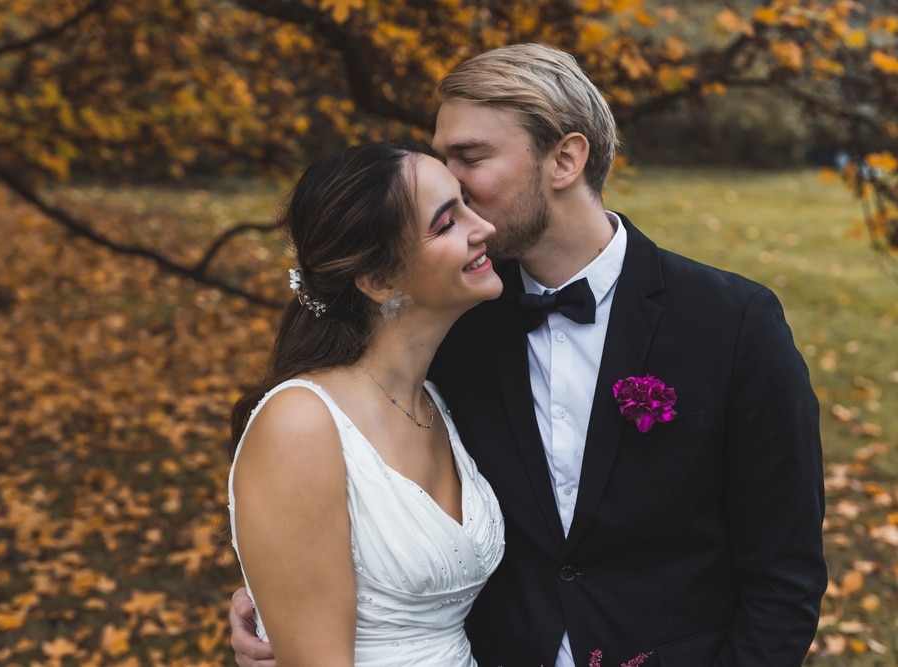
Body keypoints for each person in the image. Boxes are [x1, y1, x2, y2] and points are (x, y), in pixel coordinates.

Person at [231, 44, 827, 667]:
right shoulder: (448, 316)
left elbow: (784, 577)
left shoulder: (732, 324)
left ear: (565, 159)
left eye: (470, 157)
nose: (449, 179)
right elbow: (348, 486)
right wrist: (280, 593)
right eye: (441, 159)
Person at [227, 140, 506, 667]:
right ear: (379, 281)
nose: (483, 227)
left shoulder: (436, 399)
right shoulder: (302, 424)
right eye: (446, 223)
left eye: (467, 204)